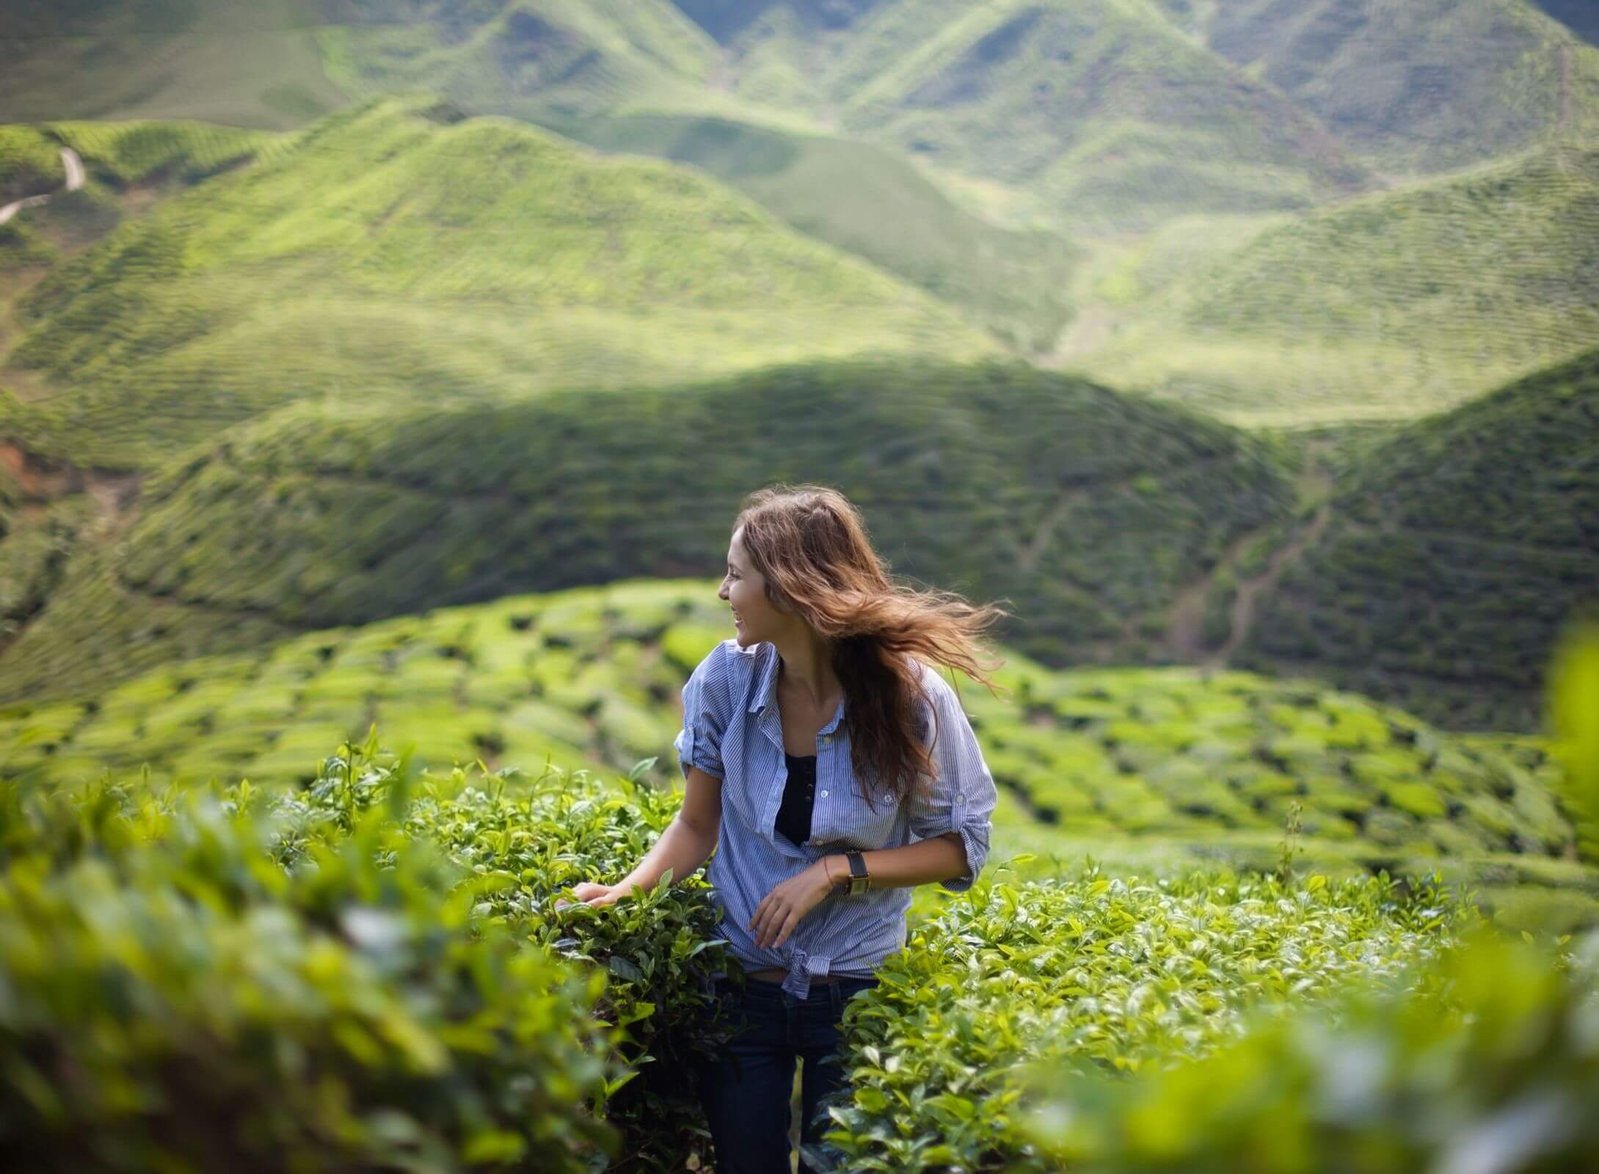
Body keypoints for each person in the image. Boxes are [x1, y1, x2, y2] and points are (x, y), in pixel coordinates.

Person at [570, 485, 1001, 1174]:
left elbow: (960, 848)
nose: (722, 591)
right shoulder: (723, 681)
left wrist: (836, 871)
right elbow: (694, 825)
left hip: (856, 989)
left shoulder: (912, 695)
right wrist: (626, 891)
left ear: (791, 586)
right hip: (741, 988)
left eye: (736, 574)